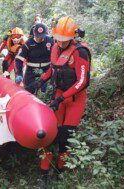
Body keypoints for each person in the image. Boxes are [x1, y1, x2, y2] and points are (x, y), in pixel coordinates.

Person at [35, 16, 91, 186]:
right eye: (58, 39)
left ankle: (60, 172)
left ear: (72, 37)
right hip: (59, 95)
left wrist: (61, 98)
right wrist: (42, 80)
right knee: (49, 135)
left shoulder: (80, 52)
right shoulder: (54, 47)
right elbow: (54, 68)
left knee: (64, 138)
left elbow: (83, 82)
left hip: (74, 99)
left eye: (63, 40)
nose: (60, 42)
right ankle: (43, 175)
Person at [15, 23, 54, 94]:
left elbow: (56, 55)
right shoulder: (28, 44)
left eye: (42, 36)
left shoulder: (50, 42)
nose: (40, 38)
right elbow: (19, 60)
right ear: (34, 34)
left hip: (46, 70)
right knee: (29, 91)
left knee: (44, 92)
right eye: (38, 36)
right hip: (31, 71)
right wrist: (19, 74)